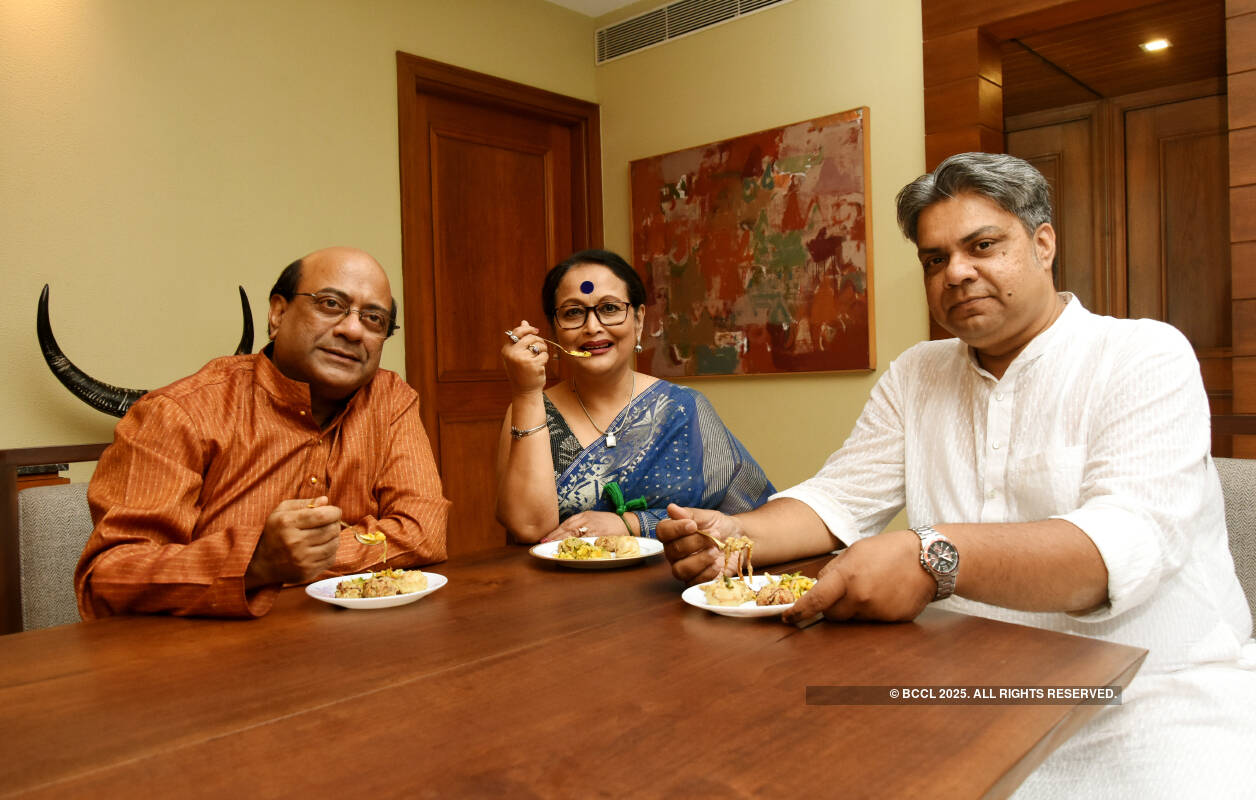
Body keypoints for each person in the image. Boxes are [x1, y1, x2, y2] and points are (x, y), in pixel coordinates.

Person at [658, 153, 1256, 797]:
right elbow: (839, 498)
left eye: (984, 246)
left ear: (1043, 243)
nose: (958, 273)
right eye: (935, 259)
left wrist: (931, 556)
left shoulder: (1143, 354)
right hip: (961, 681)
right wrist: (733, 535)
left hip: (1149, 693)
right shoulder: (919, 371)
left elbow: (1118, 548)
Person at [75, 246, 450, 619]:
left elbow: (423, 533)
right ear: (278, 313)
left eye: (373, 319)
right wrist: (254, 561)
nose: (353, 330)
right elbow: (109, 578)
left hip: (355, 648)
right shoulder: (178, 413)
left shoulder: (389, 399)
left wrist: (302, 556)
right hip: (204, 658)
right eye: (331, 304)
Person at [496, 249, 774, 542]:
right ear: (554, 329)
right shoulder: (531, 410)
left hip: (677, 580)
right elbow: (527, 528)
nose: (593, 327)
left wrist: (634, 523)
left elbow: (748, 517)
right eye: (573, 312)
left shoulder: (682, 408)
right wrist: (527, 393)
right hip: (562, 584)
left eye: (610, 309)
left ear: (639, 321)